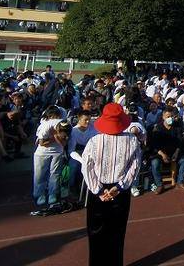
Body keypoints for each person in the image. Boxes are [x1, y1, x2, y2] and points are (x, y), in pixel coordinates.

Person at [81, 103, 141, 266]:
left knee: (96, 233)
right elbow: (135, 166)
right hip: (120, 192)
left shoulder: (94, 141)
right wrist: (120, 187)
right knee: (117, 232)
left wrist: (98, 190)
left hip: (99, 190)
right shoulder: (132, 141)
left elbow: (86, 167)